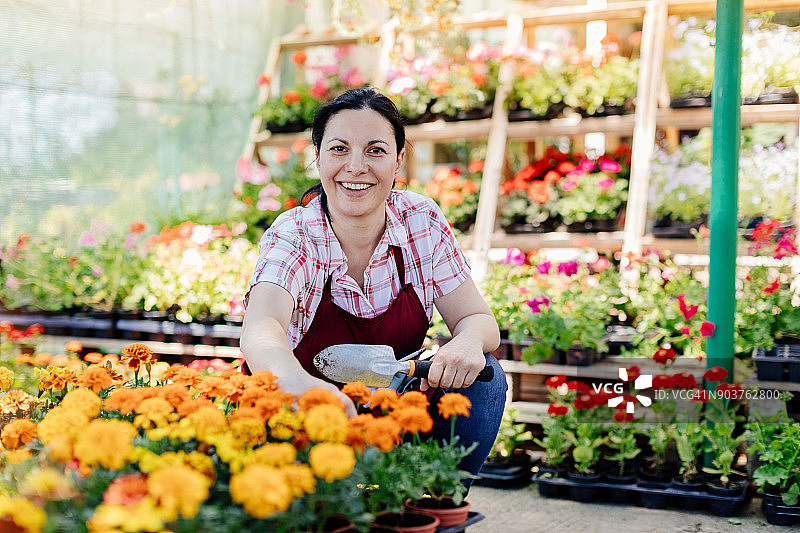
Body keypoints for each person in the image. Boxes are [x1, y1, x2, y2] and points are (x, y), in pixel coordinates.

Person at [240, 87, 506, 486]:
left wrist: (467, 343)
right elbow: (261, 326)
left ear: (399, 159)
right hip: (306, 412)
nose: (356, 166)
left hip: (394, 407)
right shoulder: (296, 233)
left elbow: (477, 319)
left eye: (375, 150)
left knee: (486, 376)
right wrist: (297, 384)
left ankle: (434, 503)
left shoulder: (420, 220)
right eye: (339, 149)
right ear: (318, 157)